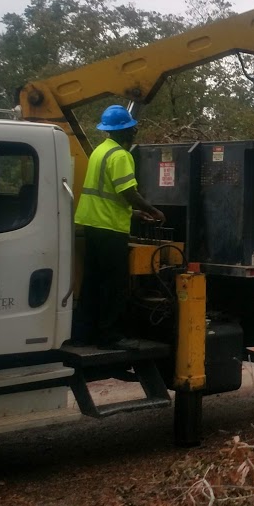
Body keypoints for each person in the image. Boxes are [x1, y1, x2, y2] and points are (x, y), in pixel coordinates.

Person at [71, 105, 165, 347]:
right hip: (110, 228)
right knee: (114, 284)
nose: (133, 132)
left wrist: (133, 214)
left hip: (92, 224)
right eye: (131, 128)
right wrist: (151, 210)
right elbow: (127, 192)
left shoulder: (99, 151)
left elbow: (107, 194)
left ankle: (83, 334)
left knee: (92, 281)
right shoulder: (121, 156)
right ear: (124, 131)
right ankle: (110, 335)